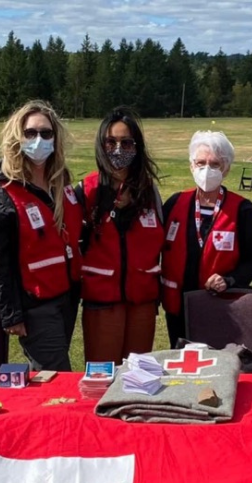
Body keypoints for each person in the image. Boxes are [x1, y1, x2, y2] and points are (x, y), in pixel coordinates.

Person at [0, 100, 82, 371]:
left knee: (50, 376)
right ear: (18, 137)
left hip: (66, 298)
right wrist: (10, 314)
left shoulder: (59, 182)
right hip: (34, 304)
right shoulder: (3, 191)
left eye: (46, 133)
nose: (39, 140)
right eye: (31, 133)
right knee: (57, 376)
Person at [160, 131, 252, 347]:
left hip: (220, 308)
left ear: (225, 169)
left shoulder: (242, 209)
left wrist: (230, 279)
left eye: (215, 164)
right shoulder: (174, 203)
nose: (206, 170)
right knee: (183, 365)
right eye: (201, 163)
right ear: (191, 166)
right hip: (178, 308)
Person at [75, 107, 163, 363]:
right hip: (102, 303)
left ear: (137, 147)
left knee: (138, 378)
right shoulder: (86, 191)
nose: (118, 149)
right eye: (111, 142)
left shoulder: (149, 193)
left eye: (126, 143)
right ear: (101, 145)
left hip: (142, 303)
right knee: (103, 378)